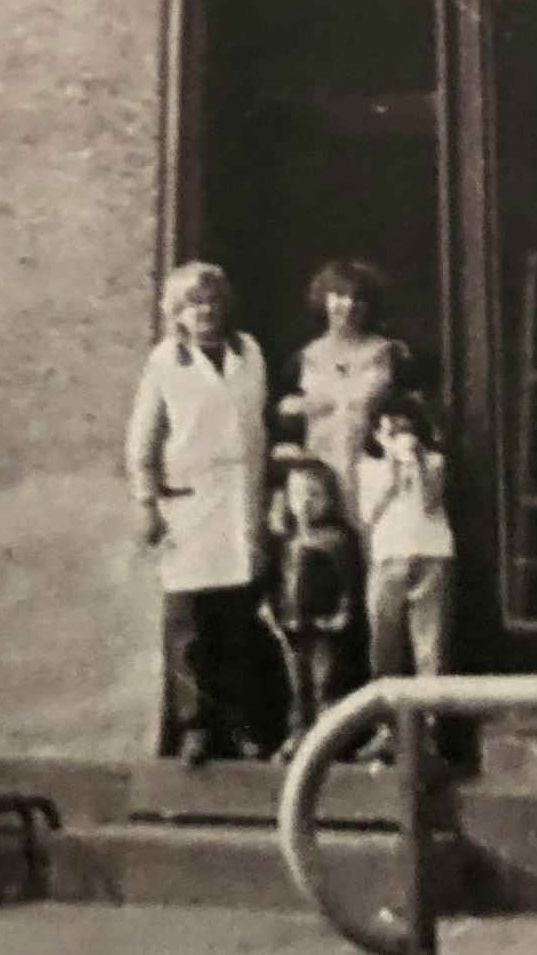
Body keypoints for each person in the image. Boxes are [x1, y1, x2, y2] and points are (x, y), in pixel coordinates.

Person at [126, 262, 270, 767]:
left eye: (211, 301)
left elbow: (258, 427)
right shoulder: (166, 362)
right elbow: (142, 442)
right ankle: (195, 728)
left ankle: (240, 727)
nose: (204, 311)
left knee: (237, 623)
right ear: (177, 314)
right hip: (188, 505)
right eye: (192, 304)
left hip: (240, 502)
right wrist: (147, 503)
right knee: (189, 629)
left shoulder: (249, 353)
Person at [353, 392, 455, 763]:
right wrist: (393, 471)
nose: (396, 436)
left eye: (403, 428)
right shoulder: (368, 467)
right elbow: (367, 515)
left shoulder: (434, 462)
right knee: (385, 645)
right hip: (388, 558)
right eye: (387, 430)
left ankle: (429, 734)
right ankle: (386, 730)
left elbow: (430, 502)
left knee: (430, 649)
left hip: (431, 555)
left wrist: (417, 464)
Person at [276, 260, 410, 532]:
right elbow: (280, 415)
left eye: (357, 298)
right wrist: (295, 410)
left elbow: (412, 412)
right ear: (324, 300)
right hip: (319, 477)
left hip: (376, 471)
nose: (348, 306)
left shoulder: (390, 354)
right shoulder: (304, 357)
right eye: (339, 296)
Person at [258, 457, 364, 764]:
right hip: (291, 624)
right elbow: (275, 577)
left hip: (324, 625)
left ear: (330, 499)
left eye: (314, 495)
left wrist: (344, 612)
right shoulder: (285, 541)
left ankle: (330, 742)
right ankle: (299, 737)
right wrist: (268, 606)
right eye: (298, 495)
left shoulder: (338, 540)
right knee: (297, 684)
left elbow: (349, 580)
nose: (305, 503)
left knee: (326, 682)